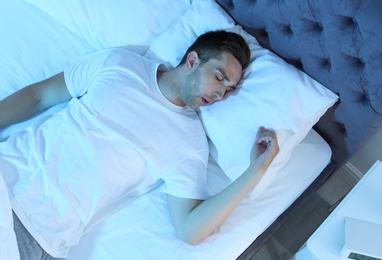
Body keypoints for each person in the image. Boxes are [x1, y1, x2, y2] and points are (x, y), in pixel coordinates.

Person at [0, 30, 279, 259]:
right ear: (193, 60)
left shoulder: (190, 144)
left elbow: (190, 230)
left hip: (38, 230)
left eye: (229, 89)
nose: (221, 93)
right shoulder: (120, 64)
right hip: (7, 170)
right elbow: (39, 96)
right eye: (219, 77)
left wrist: (254, 172)